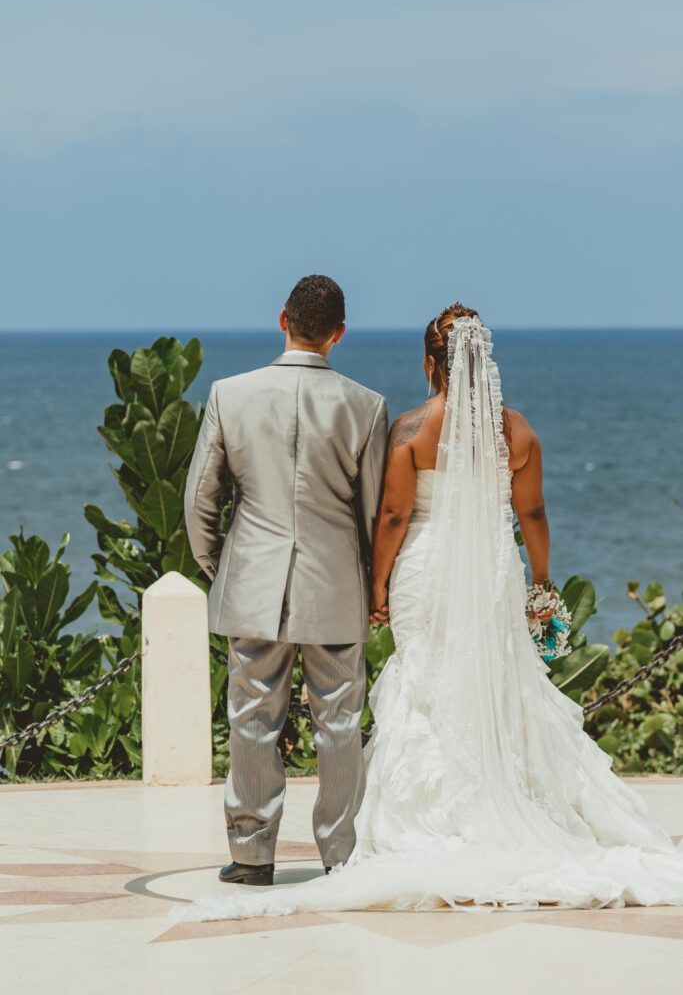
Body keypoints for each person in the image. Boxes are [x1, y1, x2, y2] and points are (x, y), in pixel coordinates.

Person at [176, 305, 683, 921]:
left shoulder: (411, 428)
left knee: (395, 687)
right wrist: (541, 582)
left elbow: (388, 515)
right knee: (430, 694)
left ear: (429, 363)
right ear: (485, 366)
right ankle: (341, 849)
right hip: (490, 572)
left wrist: (379, 583)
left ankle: (258, 853)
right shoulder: (515, 433)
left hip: (411, 571)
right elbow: (533, 516)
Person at [184, 274, 388, 885]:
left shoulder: (230, 394)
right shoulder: (366, 405)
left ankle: (251, 855)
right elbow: (375, 513)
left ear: (282, 319)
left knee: (251, 716)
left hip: (253, 581)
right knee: (340, 721)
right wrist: (374, 585)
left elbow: (201, 502)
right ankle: (341, 856)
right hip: (337, 586)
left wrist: (224, 570)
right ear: (339, 334)